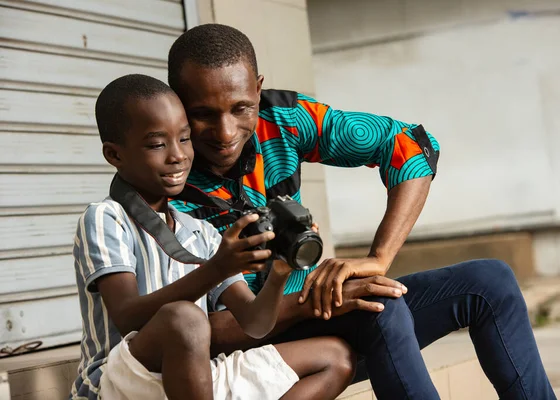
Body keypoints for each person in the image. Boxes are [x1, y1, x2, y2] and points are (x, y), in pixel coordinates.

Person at [166, 24, 556, 400]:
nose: (226, 132)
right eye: (203, 114)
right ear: (177, 103)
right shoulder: (162, 190)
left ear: (258, 89)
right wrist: (315, 300)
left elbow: (410, 145)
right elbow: (199, 334)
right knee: (378, 308)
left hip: (316, 318)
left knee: (491, 282)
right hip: (247, 351)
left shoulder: (281, 119)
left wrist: (377, 259)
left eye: (241, 108)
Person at [69, 74, 356, 400]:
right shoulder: (106, 218)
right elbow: (128, 317)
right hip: (121, 383)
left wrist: (278, 273)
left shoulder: (200, 232)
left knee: (335, 357)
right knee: (186, 318)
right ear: (114, 155)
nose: (176, 155)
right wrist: (217, 269)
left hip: (197, 377)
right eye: (156, 144)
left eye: (185, 139)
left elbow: (254, 324)